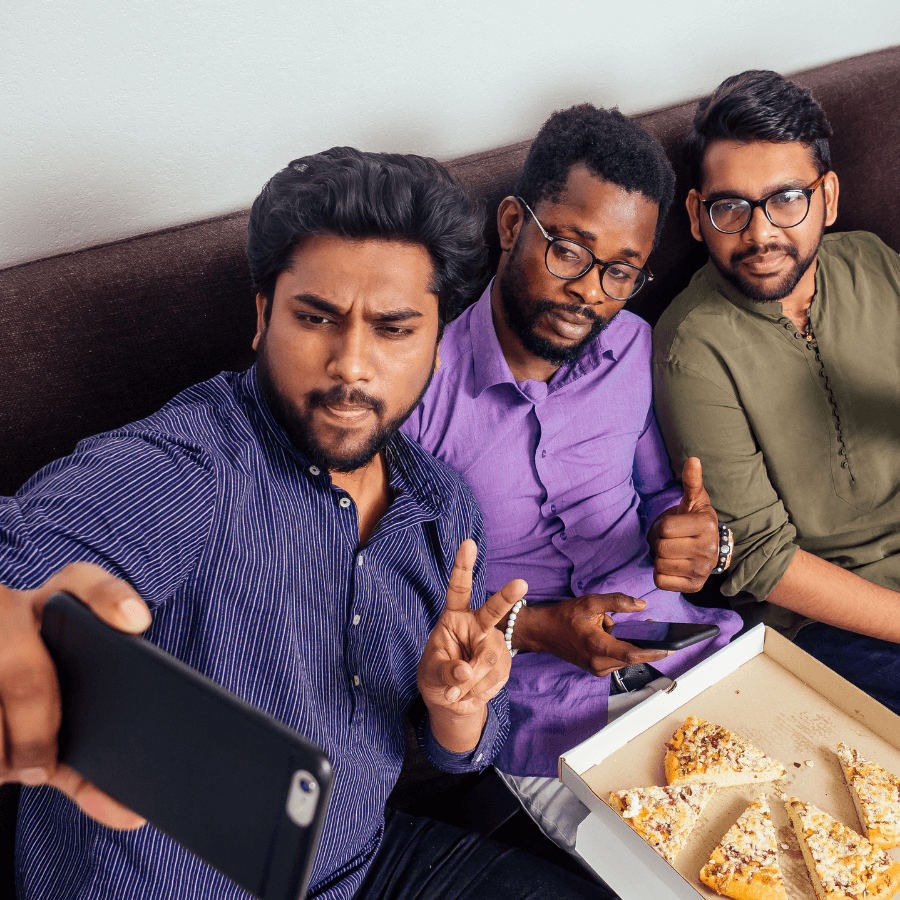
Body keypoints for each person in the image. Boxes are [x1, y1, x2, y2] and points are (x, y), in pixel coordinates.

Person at [0, 148, 614, 900]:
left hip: (359, 867)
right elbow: (29, 552)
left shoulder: (443, 508)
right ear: (263, 316)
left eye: (393, 329)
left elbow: (463, 755)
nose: (351, 365)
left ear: (435, 343)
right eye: (317, 318)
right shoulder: (195, 468)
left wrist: (460, 705)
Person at [402, 104, 742, 854]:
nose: (591, 290)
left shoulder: (631, 347)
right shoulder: (421, 395)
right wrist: (539, 630)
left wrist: (694, 539)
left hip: (690, 655)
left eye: (620, 270)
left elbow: (662, 503)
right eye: (568, 250)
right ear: (510, 225)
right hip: (545, 713)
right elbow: (403, 606)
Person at [653, 70, 900, 715]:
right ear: (696, 216)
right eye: (729, 207)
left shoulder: (872, 263)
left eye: (787, 199)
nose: (760, 233)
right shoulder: (692, 346)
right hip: (831, 626)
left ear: (829, 198)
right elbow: (765, 561)